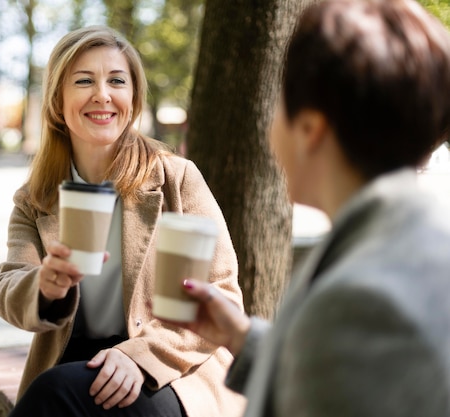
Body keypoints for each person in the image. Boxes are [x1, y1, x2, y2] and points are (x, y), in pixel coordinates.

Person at [171, 1, 450, 416]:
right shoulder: (403, 237)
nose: (270, 130)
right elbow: (355, 372)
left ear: (309, 130)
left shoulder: (364, 298)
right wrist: (244, 339)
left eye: (279, 106)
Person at [0, 25, 246, 417]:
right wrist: (44, 286)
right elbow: (7, 287)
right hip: (78, 362)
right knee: (58, 388)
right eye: (84, 80)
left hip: (171, 367)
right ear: (58, 101)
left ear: (133, 98)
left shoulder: (175, 179)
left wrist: (139, 355)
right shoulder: (36, 199)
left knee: (54, 394)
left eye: (116, 81)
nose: (102, 94)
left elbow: (220, 295)